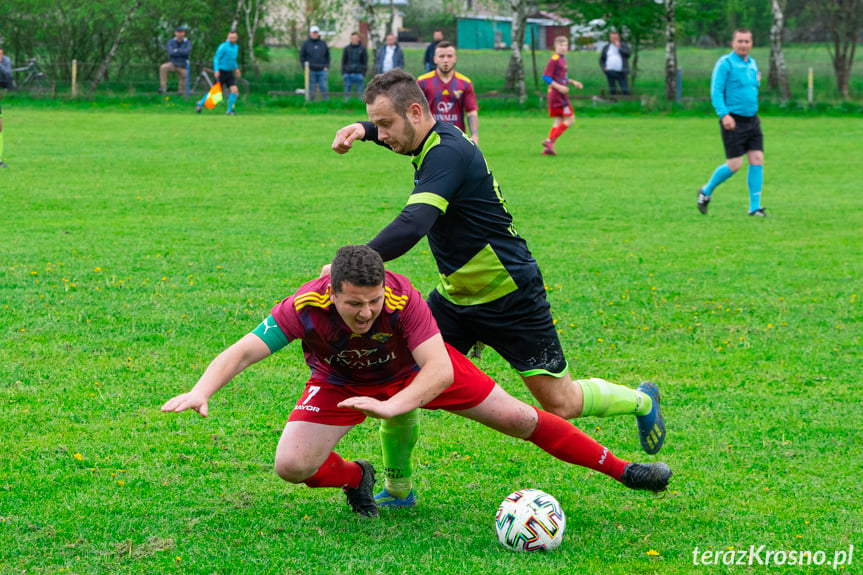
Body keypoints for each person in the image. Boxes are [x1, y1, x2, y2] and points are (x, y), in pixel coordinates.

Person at [331, 70, 666, 507]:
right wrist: (365, 130)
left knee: (559, 403)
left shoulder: (447, 154)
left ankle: (642, 401)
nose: (385, 134)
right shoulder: (428, 139)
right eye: (379, 124)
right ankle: (397, 491)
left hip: (510, 294)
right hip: (455, 297)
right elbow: (395, 132)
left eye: (387, 124)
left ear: (416, 112)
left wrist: (358, 265)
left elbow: (414, 225)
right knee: (401, 380)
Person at [162, 245, 672, 518]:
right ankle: (357, 479)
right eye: (353, 303)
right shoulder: (304, 305)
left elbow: (440, 369)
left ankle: (627, 471)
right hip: (339, 379)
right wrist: (202, 390)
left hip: (416, 370)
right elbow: (245, 349)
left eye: (373, 301)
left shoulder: (403, 299)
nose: (366, 312)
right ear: (331, 291)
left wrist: (396, 403)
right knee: (292, 466)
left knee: (521, 417)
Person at [698, 28, 766, 217]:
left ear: (752, 43)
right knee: (735, 165)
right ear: (732, 43)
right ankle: (706, 191)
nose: (743, 45)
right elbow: (716, 91)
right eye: (740, 41)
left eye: (747, 41)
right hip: (733, 121)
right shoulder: (725, 63)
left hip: (752, 120)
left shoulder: (752, 64)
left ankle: (754, 208)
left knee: (757, 159)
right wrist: (724, 115)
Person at [417, 41, 479, 145]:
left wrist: (474, 137)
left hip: (457, 139)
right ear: (435, 59)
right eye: (441, 56)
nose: (446, 60)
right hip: (430, 139)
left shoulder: (465, 83)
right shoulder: (422, 82)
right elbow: (416, 112)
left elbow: (471, 112)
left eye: (449, 56)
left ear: (455, 59)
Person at [541, 36, 583, 156]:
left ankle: (548, 148)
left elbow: (561, 77)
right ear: (556, 46)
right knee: (570, 119)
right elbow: (545, 77)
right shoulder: (554, 59)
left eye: (565, 45)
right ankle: (549, 141)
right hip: (558, 95)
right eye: (561, 45)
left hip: (557, 94)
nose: (564, 48)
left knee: (558, 120)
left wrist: (573, 82)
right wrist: (559, 87)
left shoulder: (562, 59)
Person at [196, 31, 240, 115]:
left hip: (229, 72)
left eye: (233, 38)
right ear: (228, 37)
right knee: (215, 93)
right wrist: (216, 70)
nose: (232, 39)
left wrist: (237, 68)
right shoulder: (223, 46)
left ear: (236, 38)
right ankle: (200, 103)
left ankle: (230, 111)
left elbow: (233, 59)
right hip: (221, 72)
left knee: (234, 90)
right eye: (230, 37)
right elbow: (216, 59)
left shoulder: (236, 47)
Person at [300, 25, 330, 101]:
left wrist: (326, 66)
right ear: (310, 33)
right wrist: (305, 68)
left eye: (316, 32)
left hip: (322, 70)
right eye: (313, 32)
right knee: (311, 88)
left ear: (318, 33)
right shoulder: (306, 44)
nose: (315, 34)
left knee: (323, 87)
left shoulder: (323, 44)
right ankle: (311, 103)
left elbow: (327, 56)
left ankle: (326, 102)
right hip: (310, 70)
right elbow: (302, 57)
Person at [159, 26, 192, 95]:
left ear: (184, 33)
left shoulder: (188, 42)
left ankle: (181, 93)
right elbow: (171, 52)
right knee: (163, 67)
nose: (179, 34)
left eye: (181, 32)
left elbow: (187, 52)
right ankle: (163, 88)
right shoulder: (170, 42)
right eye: (178, 32)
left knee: (185, 75)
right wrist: (181, 52)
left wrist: (177, 50)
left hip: (183, 65)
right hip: (173, 63)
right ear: (175, 33)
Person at [599, 31, 631, 96]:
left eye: (615, 38)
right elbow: (601, 59)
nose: (614, 39)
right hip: (610, 71)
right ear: (610, 38)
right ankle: (613, 101)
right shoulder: (607, 47)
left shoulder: (623, 45)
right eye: (612, 38)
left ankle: (627, 102)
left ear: (619, 38)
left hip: (621, 71)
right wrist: (604, 67)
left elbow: (628, 54)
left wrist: (620, 48)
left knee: (625, 89)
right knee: (612, 89)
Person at [341, 32, 368, 100]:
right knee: (347, 91)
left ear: (358, 38)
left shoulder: (363, 49)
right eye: (352, 39)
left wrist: (363, 74)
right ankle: (347, 104)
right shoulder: (347, 49)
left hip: (359, 74)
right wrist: (343, 73)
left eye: (355, 38)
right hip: (348, 73)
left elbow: (365, 62)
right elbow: (343, 61)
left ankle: (361, 105)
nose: (353, 40)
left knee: (360, 92)